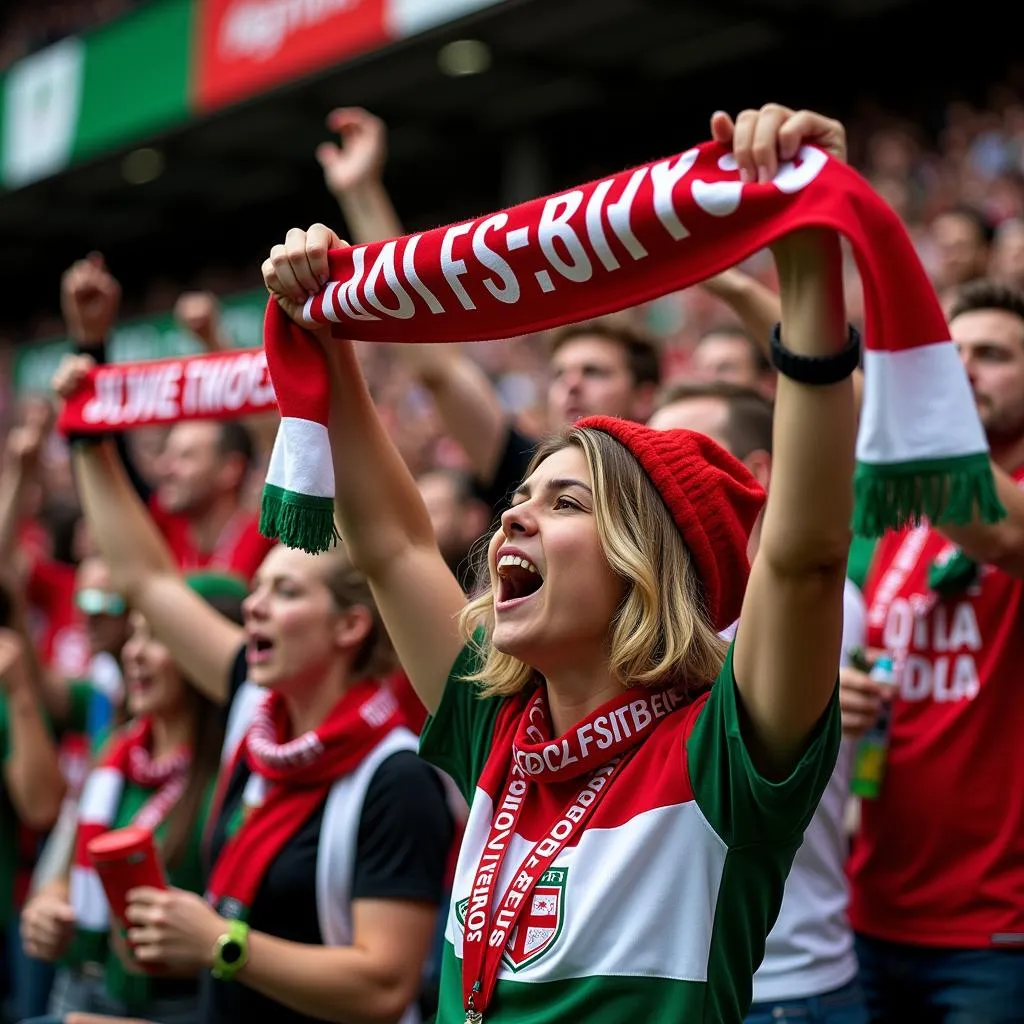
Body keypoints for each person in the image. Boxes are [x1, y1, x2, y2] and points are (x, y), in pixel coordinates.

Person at [264, 102, 856, 1022]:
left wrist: (811, 256)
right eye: (516, 502)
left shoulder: (724, 755)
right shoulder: (495, 725)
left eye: (567, 502)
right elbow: (390, 542)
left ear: (646, 565)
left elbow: (807, 558)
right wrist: (324, 334)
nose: (513, 524)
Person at [47, 382, 455, 1024]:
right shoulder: (254, 708)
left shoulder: (394, 777)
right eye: (256, 588)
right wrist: (86, 426)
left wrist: (221, 943)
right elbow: (146, 579)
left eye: (286, 592)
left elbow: (383, 985)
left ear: (350, 627)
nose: (254, 606)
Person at [649, 379, 870, 1024]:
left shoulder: (820, 612)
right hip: (671, 981)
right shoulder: (645, 607)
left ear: (756, 473)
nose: (653, 477)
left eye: (679, 454)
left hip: (786, 983)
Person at [847, 279, 1024, 1021]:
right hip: (869, 911)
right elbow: (874, 657)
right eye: (951, 355)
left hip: (994, 932)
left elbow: (999, 532)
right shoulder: (898, 515)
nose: (967, 369)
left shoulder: (993, 502)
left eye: (993, 355)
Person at [19, 571, 238, 1024]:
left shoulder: (233, 776)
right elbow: (60, 874)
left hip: (178, 1009)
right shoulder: (116, 752)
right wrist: (50, 907)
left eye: (156, 638)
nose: (134, 653)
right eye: (134, 635)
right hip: (81, 986)